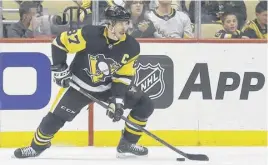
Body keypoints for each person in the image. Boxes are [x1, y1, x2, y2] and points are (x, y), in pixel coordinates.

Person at [13, 5, 154, 159]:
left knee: (144, 104)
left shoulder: (132, 46)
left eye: (126, 22)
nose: (124, 27)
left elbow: (123, 76)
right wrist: (60, 68)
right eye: (120, 22)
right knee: (54, 119)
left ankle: (127, 143)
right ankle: (36, 146)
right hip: (79, 85)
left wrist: (117, 100)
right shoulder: (89, 34)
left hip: (108, 88)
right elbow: (60, 43)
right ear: (110, 23)